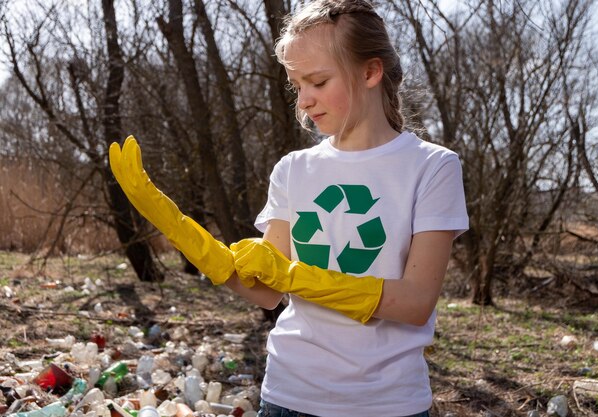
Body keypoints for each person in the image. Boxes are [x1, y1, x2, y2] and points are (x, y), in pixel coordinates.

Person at [109, 1, 468, 416]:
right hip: (289, 395)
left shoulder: (432, 166)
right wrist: (178, 228)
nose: (305, 101)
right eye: (297, 86)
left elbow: (415, 302)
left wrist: (296, 275)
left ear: (370, 72)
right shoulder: (293, 170)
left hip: (387, 402)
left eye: (318, 81)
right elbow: (266, 290)